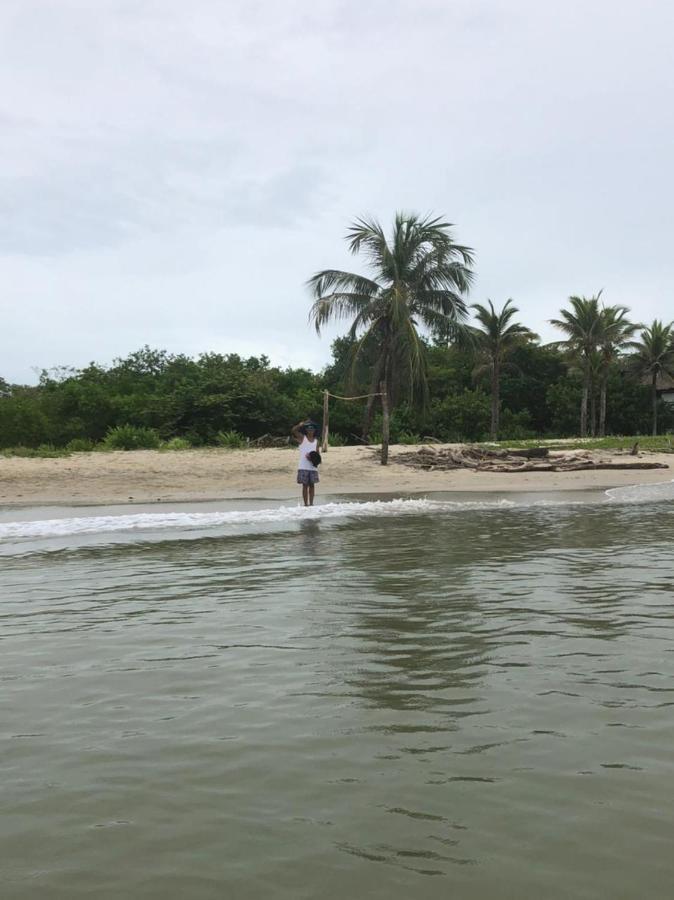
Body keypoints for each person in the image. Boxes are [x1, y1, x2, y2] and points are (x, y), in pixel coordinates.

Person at [291, 419, 320, 506]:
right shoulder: (302, 438)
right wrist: (300, 425)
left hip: (313, 467)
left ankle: (311, 504)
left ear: (314, 430)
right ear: (306, 430)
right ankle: (305, 505)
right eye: (308, 429)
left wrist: (312, 458)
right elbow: (293, 431)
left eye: (312, 429)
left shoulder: (316, 441)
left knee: (312, 485)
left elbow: (318, 456)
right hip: (303, 466)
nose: (310, 430)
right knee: (305, 485)